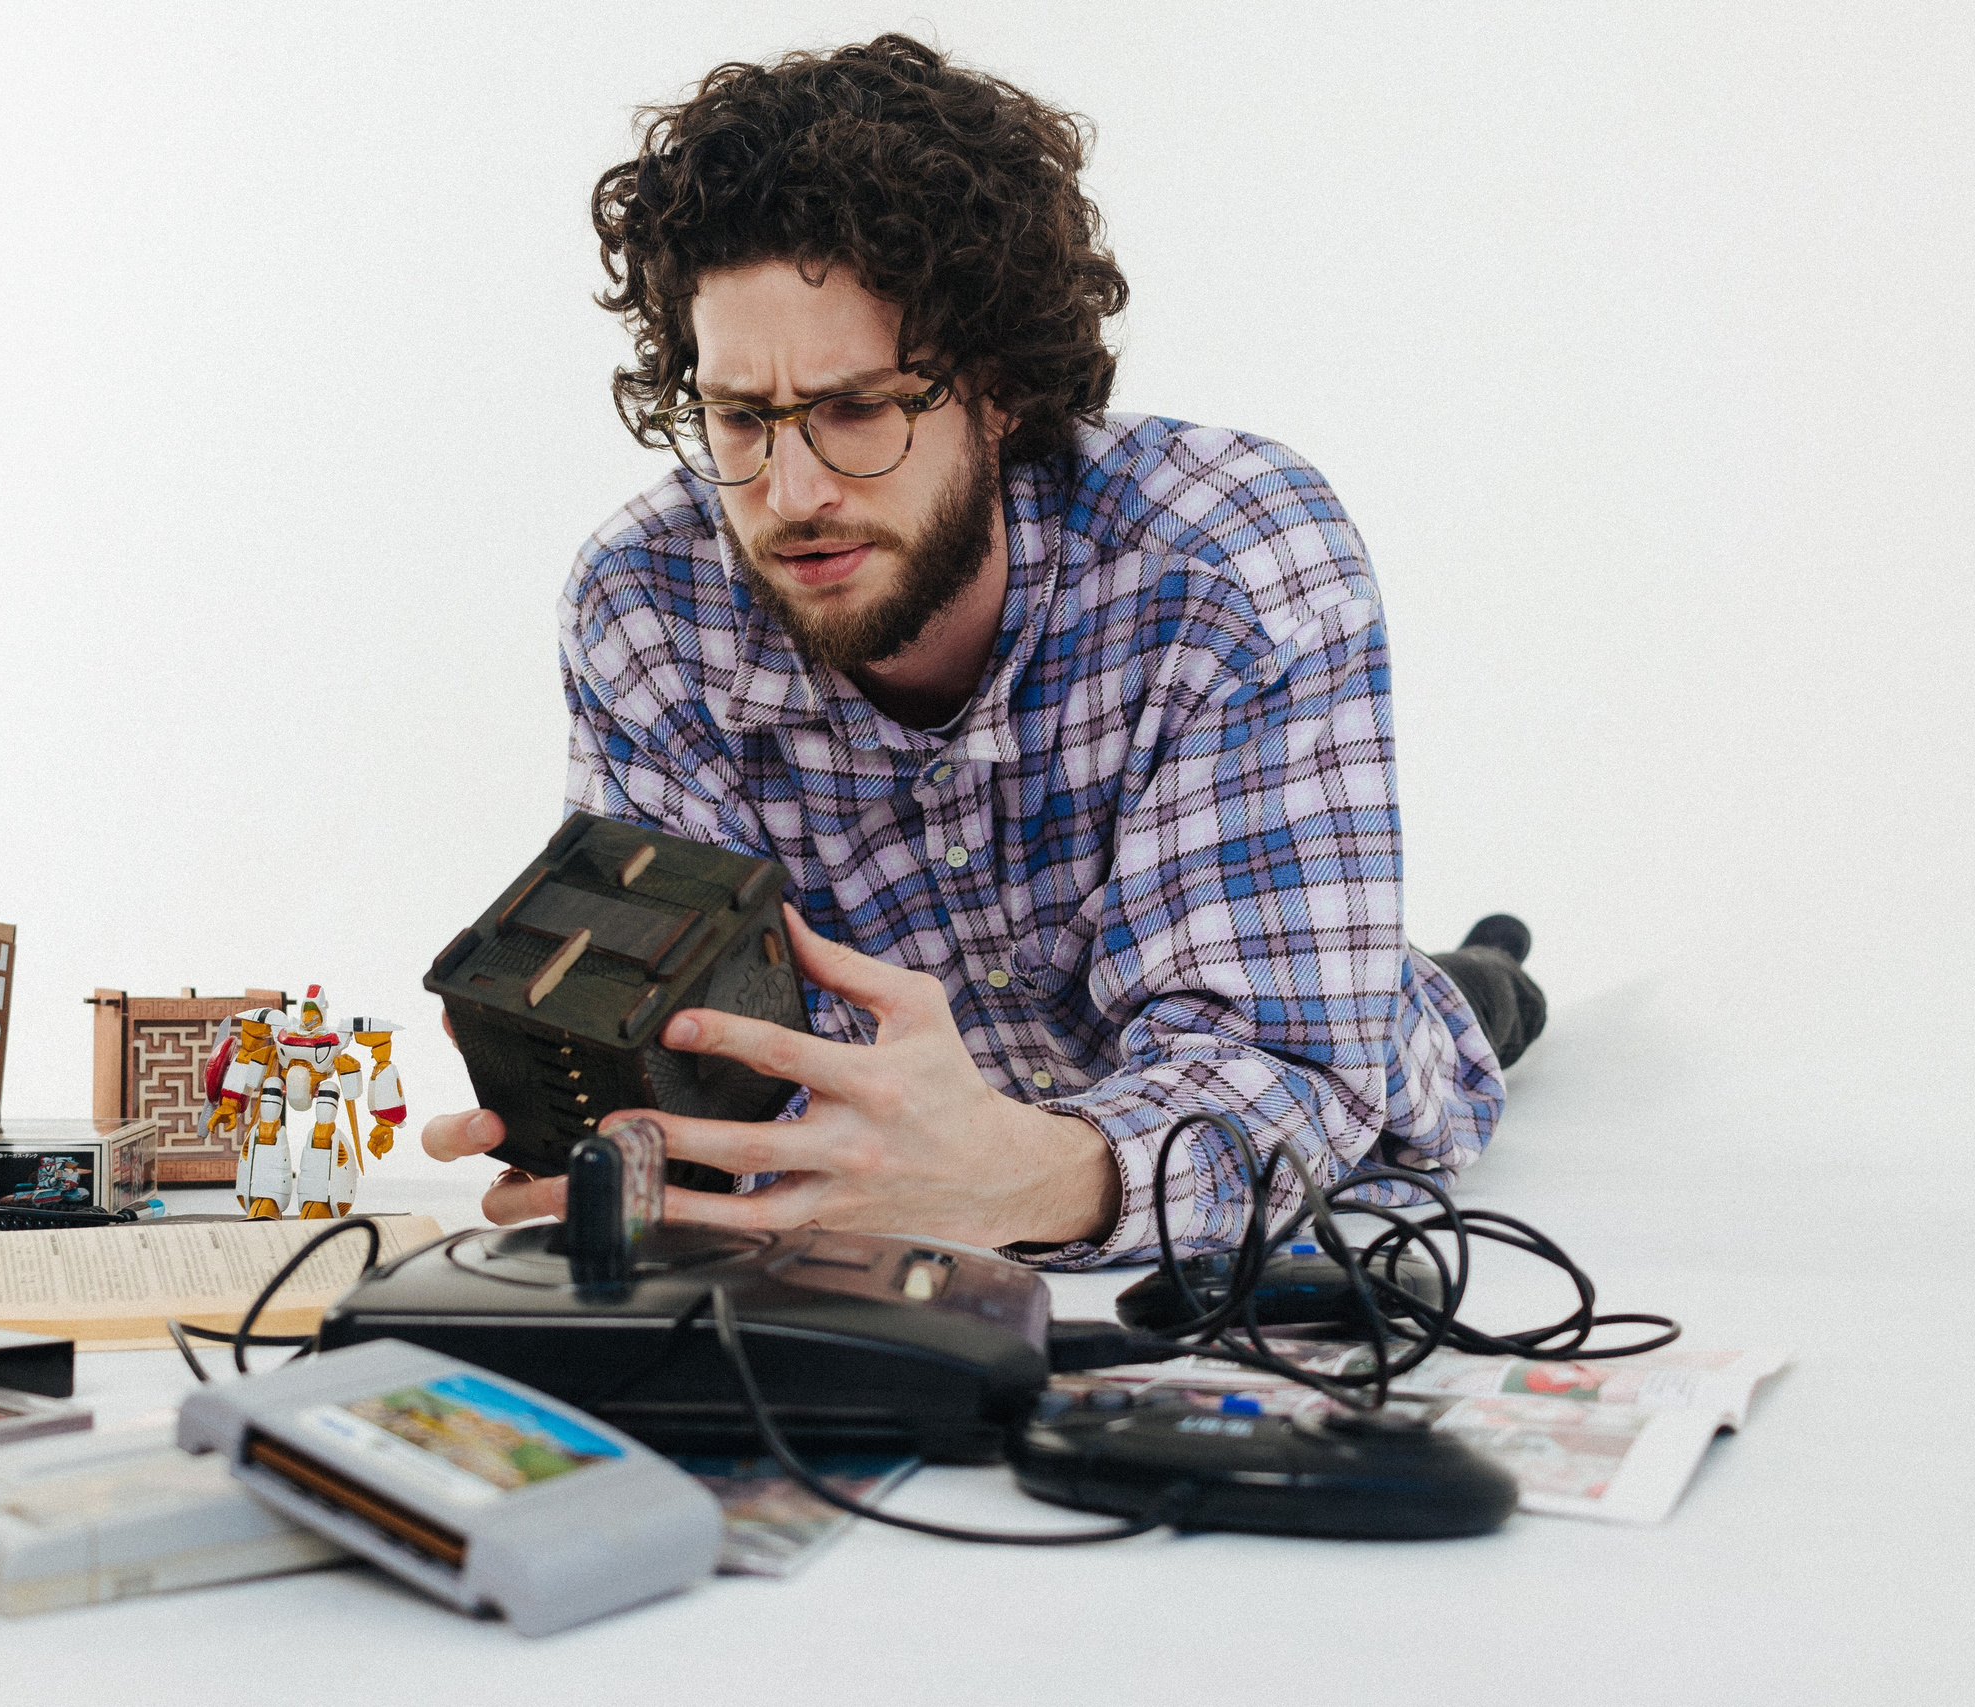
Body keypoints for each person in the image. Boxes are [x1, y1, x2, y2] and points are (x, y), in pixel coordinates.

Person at [422, 34, 1546, 1266]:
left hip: (1290, 1014)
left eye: (858, 409)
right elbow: (696, 1043)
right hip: (939, 1107)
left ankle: (1486, 975)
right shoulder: (645, 605)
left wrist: (1018, 1180)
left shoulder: (1230, 556)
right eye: (739, 418)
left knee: (1446, 1008)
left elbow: (1290, 1083)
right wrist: (611, 1113)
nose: (789, 492)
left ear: (998, 387)